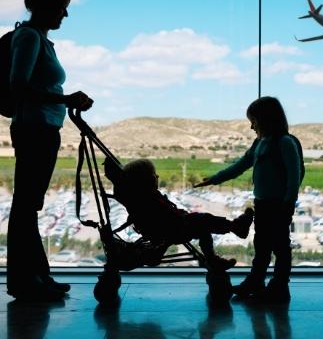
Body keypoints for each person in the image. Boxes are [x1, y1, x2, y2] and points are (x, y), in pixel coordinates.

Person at [7, 0, 94, 301]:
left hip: (41, 128)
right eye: (61, 8)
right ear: (44, 7)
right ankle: (27, 280)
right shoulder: (29, 37)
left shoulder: (38, 38)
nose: (65, 15)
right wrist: (65, 99)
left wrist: (63, 101)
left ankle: (36, 276)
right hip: (34, 130)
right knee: (26, 206)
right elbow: (19, 84)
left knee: (29, 206)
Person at [195, 96, 302, 302]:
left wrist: (288, 205)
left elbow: (293, 178)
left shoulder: (285, 143)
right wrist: (215, 179)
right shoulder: (260, 143)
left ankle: (278, 287)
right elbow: (241, 165)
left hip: (279, 206)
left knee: (279, 246)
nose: (252, 126)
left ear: (265, 119)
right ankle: (257, 282)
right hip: (262, 204)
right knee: (262, 246)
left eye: (253, 120)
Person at [118, 158, 255, 270]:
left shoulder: (144, 199)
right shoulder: (150, 200)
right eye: (154, 175)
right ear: (146, 180)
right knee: (204, 220)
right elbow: (168, 217)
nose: (158, 176)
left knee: (203, 228)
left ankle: (212, 258)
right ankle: (235, 227)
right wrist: (184, 216)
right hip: (173, 231)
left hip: (171, 229)